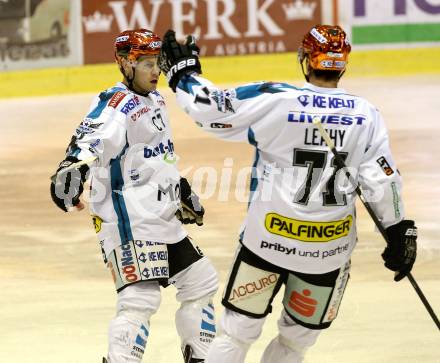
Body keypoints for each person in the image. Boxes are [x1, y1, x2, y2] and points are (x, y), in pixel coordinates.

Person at [158, 25, 417, 362]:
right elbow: (384, 180)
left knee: (237, 334)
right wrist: (398, 229)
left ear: (306, 60)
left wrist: (184, 72)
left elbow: (212, 110)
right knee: (295, 343)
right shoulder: (366, 115)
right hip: (329, 251)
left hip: (266, 241)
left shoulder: (278, 99)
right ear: (343, 64)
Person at [50, 29, 218, 363]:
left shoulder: (154, 98)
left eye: (157, 62)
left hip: (160, 218)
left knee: (201, 283)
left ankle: (200, 356)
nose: (155, 71)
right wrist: (72, 168)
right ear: (126, 64)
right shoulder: (116, 105)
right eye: (146, 63)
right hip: (129, 222)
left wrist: (178, 190)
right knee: (139, 300)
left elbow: (156, 156)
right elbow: (90, 140)